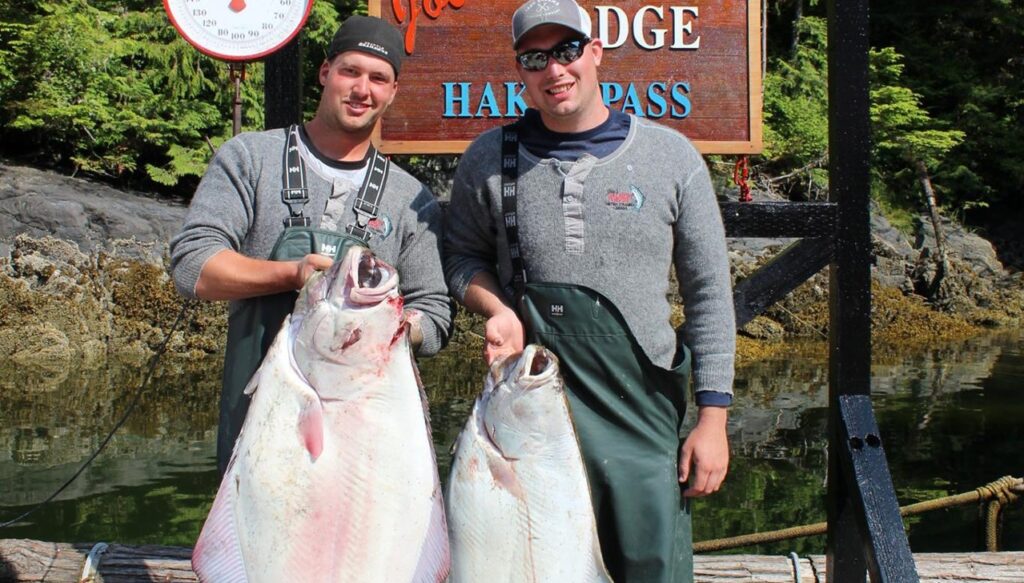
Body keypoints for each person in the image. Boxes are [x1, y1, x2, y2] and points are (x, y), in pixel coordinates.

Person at [443, 0, 736, 581]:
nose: (554, 70)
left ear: (595, 53)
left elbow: (708, 293)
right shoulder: (487, 159)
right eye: (535, 58)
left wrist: (713, 419)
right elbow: (460, 258)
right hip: (526, 416)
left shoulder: (671, 157)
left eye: (567, 51)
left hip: (643, 420)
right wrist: (497, 307)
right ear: (520, 70)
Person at [170, 15, 452, 476]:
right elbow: (193, 265)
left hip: (363, 436)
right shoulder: (249, 158)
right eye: (350, 71)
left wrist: (390, 322)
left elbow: (435, 317)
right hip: (260, 420)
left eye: (378, 78)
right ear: (325, 73)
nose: (363, 88)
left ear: (393, 91)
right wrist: (293, 274)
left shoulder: (409, 199)